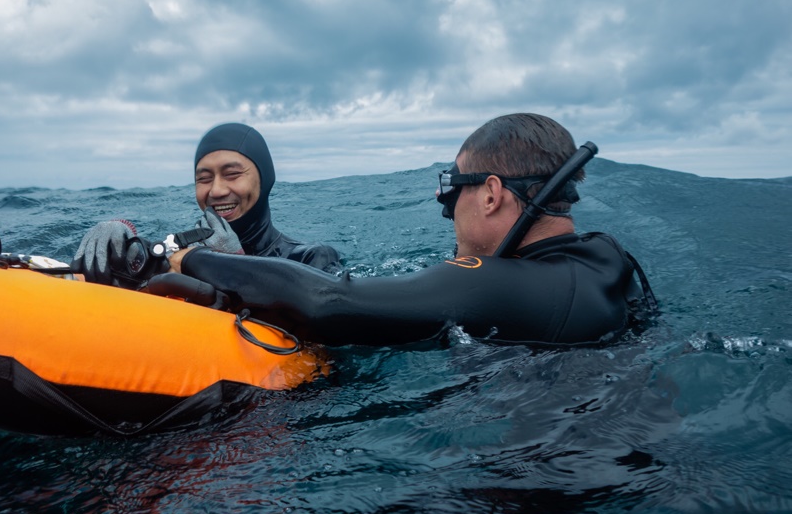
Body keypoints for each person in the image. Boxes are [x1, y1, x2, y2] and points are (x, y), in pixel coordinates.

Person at [167, 113, 657, 348]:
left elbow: (328, 305)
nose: (449, 211)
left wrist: (187, 260)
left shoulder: (489, 280)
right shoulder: (607, 258)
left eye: (453, 193)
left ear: (490, 194)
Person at [73, 122, 342, 285]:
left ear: (265, 180)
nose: (216, 190)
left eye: (232, 174)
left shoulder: (312, 258)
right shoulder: (184, 253)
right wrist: (120, 245)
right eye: (204, 178)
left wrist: (233, 265)